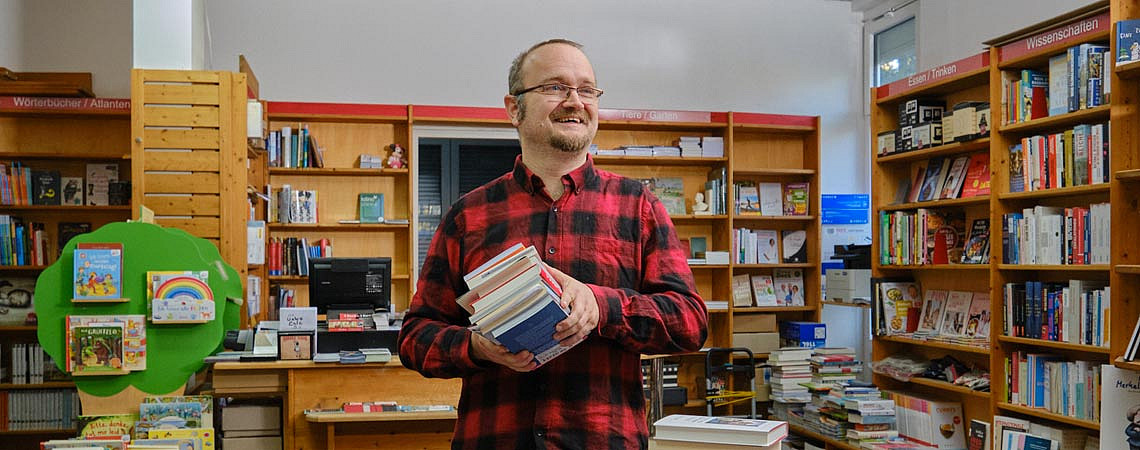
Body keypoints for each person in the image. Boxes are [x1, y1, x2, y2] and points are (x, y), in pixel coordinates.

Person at [398, 38, 708, 449]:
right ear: (514, 108)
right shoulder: (468, 215)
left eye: (586, 89)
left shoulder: (639, 207)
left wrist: (601, 306)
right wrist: (476, 346)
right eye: (555, 87)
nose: (574, 100)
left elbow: (690, 323)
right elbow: (414, 338)